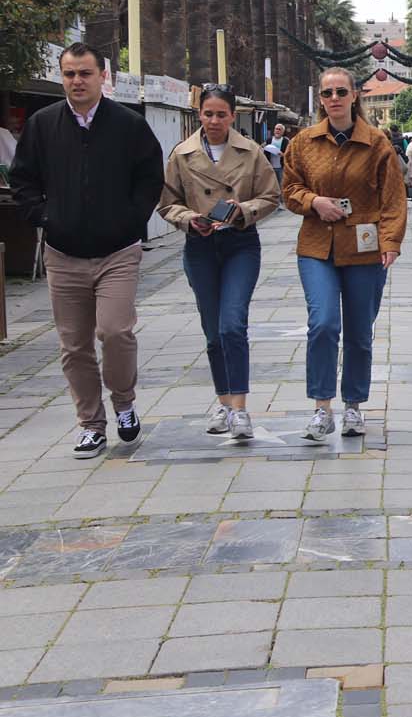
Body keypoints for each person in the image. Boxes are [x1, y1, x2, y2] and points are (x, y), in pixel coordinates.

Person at [9, 43, 164, 459]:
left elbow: (150, 177)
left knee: (114, 331)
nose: (76, 82)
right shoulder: (43, 125)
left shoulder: (129, 125)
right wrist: (44, 217)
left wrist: (131, 221)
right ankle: (91, 425)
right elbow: (22, 179)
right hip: (63, 253)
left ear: (102, 77)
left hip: (118, 251)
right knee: (74, 344)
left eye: (84, 74)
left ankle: (124, 404)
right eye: (69, 74)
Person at [283, 66, 406, 442]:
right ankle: (322, 407)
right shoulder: (303, 142)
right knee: (322, 324)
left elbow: (393, 198)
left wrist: (390, 242)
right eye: (327, 93)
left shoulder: (377, 143)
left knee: (358, 332)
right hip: (317, 246)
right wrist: (314, 201)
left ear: (355, 96)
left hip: (364, 248)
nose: (333, 99)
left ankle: (353, 405)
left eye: (340, 92)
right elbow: (288, 189)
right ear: (319, 99)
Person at [158, 85, 281, 440]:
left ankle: (240, 409)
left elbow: (271, 195)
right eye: (208, 114)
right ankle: (224, 402)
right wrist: (188, 218)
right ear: (199, 114)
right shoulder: (182, 154)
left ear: (232, 116)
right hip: (200, 247)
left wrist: (243, 211)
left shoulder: (251, 151)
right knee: (213, 333)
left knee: (232, 325)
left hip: (240, 244)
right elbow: (168, 202)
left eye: (221, 114)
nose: (214, 121)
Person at [262, 123, 288, 191]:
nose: (277, 131)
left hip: (281, 167)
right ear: (274, 130)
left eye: (279, 129)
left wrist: (282, 154)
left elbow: (289, 155)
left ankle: (281, 201)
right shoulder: (269, 140)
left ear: (282, 132)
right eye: (276, 129)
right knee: (270, 185)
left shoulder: (286, 141)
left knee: (281, 185)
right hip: (270, 167)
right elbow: (264, 152)